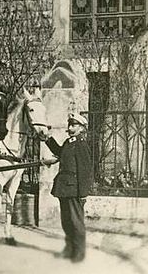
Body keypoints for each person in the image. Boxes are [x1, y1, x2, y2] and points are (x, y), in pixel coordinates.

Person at [46, 112, 93, 263]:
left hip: (74, 189)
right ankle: (69, 248)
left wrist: (83, 193)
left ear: (82, 128)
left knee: (76, 221)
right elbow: (60, 152)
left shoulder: (81, 144)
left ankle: (79, 251)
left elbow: (85, 170)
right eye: (70, 125)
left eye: (74, 125)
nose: (70, 127)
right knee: (66, 220)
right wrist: (47, 139)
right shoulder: (69, 142)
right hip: (64, 188)